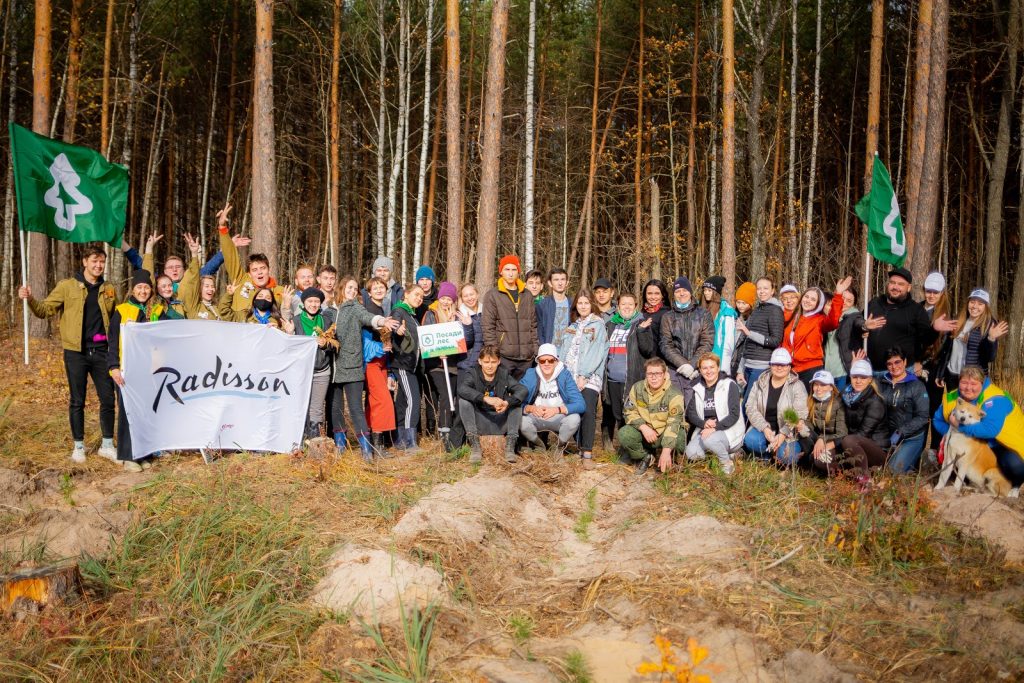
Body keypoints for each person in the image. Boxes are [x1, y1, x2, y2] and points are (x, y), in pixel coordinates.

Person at [19, 244, 118, 463]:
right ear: (84, 262)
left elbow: (116, 318)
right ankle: (79, 446)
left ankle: (107, 445)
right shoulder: (67, 286)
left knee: (108, 399)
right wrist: (30, 299)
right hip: (76, 353)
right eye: (94, 260)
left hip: (102, 352)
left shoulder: (108, 289)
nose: (98, 265)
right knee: (77, 400)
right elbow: (45, 310)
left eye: (101, 261)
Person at [329, 276, 399, 461]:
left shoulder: (355, 308)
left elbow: (368, 317)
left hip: (352, 365)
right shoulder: (330, 310)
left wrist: (382, 322)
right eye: (349, 288)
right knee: (336, 407)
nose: (352, 291)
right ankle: (340, 444)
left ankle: (366, 449)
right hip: (333, 367)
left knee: (355, 408)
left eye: (355, 289)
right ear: (342, 289)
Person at [106, 270, 168, 472]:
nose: (143, 291)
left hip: (149, 371)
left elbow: (169, 337)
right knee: (128, 412)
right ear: (133, 289)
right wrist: (113, 367)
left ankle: (143, 454)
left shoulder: (157, 311)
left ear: (151, 290)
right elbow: (113, 341)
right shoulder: (122, 310)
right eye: (139, 287)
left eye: (146, 287)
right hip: (126, 370)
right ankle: (128, 456)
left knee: (145, 413)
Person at [933, 366, 1024, 490]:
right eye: (964, 382)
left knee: (1014, 465)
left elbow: (990, 430)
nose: (968, 388)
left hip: (1003, 444)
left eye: (973, 384)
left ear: (982, 383)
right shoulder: (952, 397)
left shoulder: (995, 398)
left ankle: (1014, 486)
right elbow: (937, 419)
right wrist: (951, 434)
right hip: (974, 444)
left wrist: (959, 428)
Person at [558, 288, 609, 468]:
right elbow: (563, 352)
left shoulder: (598, 325)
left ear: (592, 304)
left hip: (589, 377)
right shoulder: (571, 327)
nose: (583, 306)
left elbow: (597, 353)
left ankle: (587, 453)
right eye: (580, 303)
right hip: (569, 377)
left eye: (586, 303)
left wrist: (584, 376)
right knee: (572, 411)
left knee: (587, 411)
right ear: (576, 306)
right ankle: (577, 446)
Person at [422, 281, 473, 449]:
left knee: (453, 397)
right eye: (443, 298)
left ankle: (454, 430)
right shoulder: (432, 314)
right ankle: (444, 432)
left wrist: (462, 325)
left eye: (449, 299)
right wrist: (437, 351)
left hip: (452, 364)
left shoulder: (457, 315)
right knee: (445, 395)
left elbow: (463, 340)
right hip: (437, 364)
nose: (445, 302)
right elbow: (427, 339)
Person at [602, 293, 656, 452]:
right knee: (613, 412)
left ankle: (630, 449)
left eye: (630, 304)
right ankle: (615, 446)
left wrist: (641, 331)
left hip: (631, 379)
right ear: (617, 307)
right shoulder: (610, 325)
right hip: (611, 378)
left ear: (635, 307)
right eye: (623, 304)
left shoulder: (641, 323)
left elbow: (647, 350)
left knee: (629, 414)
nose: (626, 307)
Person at [458, 345, 528, 464]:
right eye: (486, 362)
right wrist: (485, 398)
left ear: (499, 361)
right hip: (480, 420)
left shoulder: (503, 374)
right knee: (463, 402)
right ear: (480, 361)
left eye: (493, 362)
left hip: (500, 420)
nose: (490, 366)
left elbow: (522, 390)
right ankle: (475, 446)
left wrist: (507, 402)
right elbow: (462, 389)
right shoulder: (473, 373)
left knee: (516, 404)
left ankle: (510, 447)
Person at [859, 267, 936, 375]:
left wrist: (935, 329)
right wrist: (863, 326)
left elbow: (926, 340)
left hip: (899, 372)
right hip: (869, 370)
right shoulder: (875, 303)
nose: (895, 287)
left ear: (908, 287)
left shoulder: (915, 310)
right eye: (892, 283)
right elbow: (858, 323)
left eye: (901, 284)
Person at [617, 357, 687, 475]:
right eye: (650, 374)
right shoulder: (637, 388)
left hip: (664, 433)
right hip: (646, 433)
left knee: (680, 437)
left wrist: (666, 451)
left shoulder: (675, 394)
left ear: (665, 374)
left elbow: (673, 423)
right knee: (624, 434)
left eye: (658, 374)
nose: (654, 377)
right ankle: (646, 456)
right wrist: (643, 427)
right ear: (646, 374)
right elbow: (629, 411)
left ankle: (670, 458)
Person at [781, 277, 852, 387]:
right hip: (790, 368)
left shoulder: (819, 320)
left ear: (818, 304)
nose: (808, 301)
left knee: (808, 403)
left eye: (813, 299)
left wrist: (838, 294)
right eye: (806, 296)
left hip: (810, 369)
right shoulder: (793, 318)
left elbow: (833, 321)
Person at [216, 204, 285, 315]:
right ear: (249, 273)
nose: (259, 272)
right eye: (255, 270)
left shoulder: (280, 292)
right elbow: (230, 256)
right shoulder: (240, 281)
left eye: (263, 268)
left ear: (268, 269)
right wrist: (223, 228)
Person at [743, 348, 808, 465]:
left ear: (789, 366)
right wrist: (764, 428)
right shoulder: (759, 383)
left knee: (787, 456)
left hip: (788, 434)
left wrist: (783, 434)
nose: (779, 367)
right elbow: (750, 407)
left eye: (783, 364)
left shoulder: (797, 386)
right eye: (776, 364)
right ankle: (766, 457)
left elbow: (799, 413)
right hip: (764, 431)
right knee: (751, 440)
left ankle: (779, 457)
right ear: (770, 365)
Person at [936, 288, 1009, 390]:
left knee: (969, 406)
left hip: (971, 379)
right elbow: (947, 350)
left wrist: (991, 338)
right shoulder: (959, 320)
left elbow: (990, 357)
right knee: (954, 405)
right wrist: (941, 372)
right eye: (972, 302)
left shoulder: (989, 325)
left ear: (986, 307)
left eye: (980, 304)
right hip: (952, 375)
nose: (975, 306)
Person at [520, 344, 586, 456]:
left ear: (556, 361)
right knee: (521, 421)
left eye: (550, 360)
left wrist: (557, 409)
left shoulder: (564, 375)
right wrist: (529, 408)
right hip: (537, 416)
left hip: (558, 416)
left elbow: (581, 404)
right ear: (538, 362)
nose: (546, 364)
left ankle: (559, 447)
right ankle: (539, 444)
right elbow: (516, 399)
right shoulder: (531, 374)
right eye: (542, 361)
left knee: (574, 419)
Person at [684, 353, 744, 475]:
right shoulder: (697, 387)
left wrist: (715, 428)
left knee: (709, 440)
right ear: (700, 370)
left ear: (718, 368)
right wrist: (704, 423)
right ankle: (727, 455)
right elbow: (691, 412)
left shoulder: (729, 385)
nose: (708, 371)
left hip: (727, 429)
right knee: (691, 453)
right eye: (705, 368)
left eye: (712, 367)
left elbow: (734, 414)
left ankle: (726, 463)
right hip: (706, 429)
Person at [291, 287, 338, 441]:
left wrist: (325, 344)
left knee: (316, 408)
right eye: (310, 301)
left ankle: (315, 440)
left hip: (321, 370)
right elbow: (288, 346)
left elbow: (336, 344)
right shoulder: (296, 321)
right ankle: (299, 440)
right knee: (300, 405)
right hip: (302, 371)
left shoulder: (326, 320)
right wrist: (289, 333)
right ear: (304, 303)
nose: (313, 304)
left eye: (317, 301)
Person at [482, 255, 539, 379]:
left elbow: (533, 325)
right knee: (503, 393)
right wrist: (494, 354)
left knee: (524, 393)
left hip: (526, 357)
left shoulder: (527, 295)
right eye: (507, 269)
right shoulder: (493, 295)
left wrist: (535, 350)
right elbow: (488, 327)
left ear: (518, 272)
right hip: (504, 357)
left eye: (514, 270)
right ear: (501, 271)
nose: (511, 273)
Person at [877, 346, 930, 473]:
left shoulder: (916, 385)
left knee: (891, 472)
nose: (894, 367)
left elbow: (923, 417)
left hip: (910, 438)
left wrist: (902, 431)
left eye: (897, 362)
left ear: (905, 362)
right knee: (875, 468)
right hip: (886, 436)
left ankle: (910, 464)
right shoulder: (882, 382)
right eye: (889, 364)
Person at [360, 277, 398, 454]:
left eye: (381, 287)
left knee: (373, 401)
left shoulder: (383, 309)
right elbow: (365, 342)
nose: (378, 289)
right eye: (374, 287)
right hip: (371, 362)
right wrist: (381, 348)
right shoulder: (368, 311)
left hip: (382, 362)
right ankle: (378, 444)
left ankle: (370, 440)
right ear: (368, 292)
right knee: (381, 400)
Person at [659, 276, 714, 394]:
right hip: (675, 370)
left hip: (698, 371)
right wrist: (683, 364)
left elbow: (707, 342)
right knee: (676, 409)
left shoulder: (704, 314)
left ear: (690, 292)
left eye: (684, 290)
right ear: (673, 294)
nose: (681, 294)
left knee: (694, 409)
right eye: (677, 291)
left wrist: (693, 364)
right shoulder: (667, 317)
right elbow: (665, 344)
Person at [734, 277, 785, 399]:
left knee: (750, 404)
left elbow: (775, 340)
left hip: (762, 366)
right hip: (748, 365)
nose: (762, 291)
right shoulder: (756, 310)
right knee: (744, 403)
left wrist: (749, 332)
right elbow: (747, 342)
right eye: (759, 288)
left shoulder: (775, 311)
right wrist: (740, 369)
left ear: (772, 291)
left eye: (766, 288)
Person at [839, 359, 889, 477]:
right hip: (854, 445)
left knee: (849, 440)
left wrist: (840, 443)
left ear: (870, 379)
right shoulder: (845, 395)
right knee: (822, 459)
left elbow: (863, 434)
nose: (858, 381)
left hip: (877, 450)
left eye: (863, 377)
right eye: (855, 376)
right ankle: (843, 477)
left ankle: (864, 479)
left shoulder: (875, 402)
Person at [390, 285, 425, 453]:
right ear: (407, 294)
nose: (419, 298)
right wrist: (398, 329)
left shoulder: (412, 315)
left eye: (421, 297)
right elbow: (394, 325)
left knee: (403, 401)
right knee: (413, 400)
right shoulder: (399, 310)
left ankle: (399, 439)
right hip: (403, 363)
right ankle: (410, 442)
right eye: (416, 294)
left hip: (411, 364)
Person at [920, 271, 952, 451]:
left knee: (935, 414)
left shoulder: (945, 315)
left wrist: (940, 374)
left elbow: (945, 348)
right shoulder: (916, 309)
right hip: (914, 368)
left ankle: (934, 452)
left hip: (934, 372)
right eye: (928, 291)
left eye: (936, 292)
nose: (931, 295)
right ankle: (916, 455)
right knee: (919, 413)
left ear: (942, 293)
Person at [454, 282, 485, 447]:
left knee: (480, 403)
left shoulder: (486, 311)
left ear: (477, 294)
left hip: (484, 366)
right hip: (466, 365)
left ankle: (477, 439)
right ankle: (456, 443)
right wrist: (467, 326)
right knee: (462, 402)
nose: (469, 298)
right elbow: (463, 343)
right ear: (461, 298)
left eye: (472, 294)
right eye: (465, 296)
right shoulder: (459, 315)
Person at [800, 371, 848, 476]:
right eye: (816, 384)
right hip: (819, 439)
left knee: (820, 461)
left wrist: (823, 439)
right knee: (802, 430)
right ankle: (810, 463)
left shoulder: (838, 403)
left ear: (831, 387)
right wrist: (802, 424)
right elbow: (811, 424)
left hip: (835, 443)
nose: (818, 388)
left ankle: (842, 470)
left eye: (823, 385)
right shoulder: (812, 400)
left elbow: (843, 433)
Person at [823, 286, 863, 392]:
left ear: (853, 304)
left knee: (839, 404)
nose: (844, 302)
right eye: (843, 298)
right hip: (826, 371)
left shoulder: (853, 316)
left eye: (849, 301)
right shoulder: (830, 316)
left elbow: (859, 323)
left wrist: (865, 327)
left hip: (842, 372)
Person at [179, 233, 225, 321]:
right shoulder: (193, 306)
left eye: (212, 287)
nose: (211, 289)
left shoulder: (216, 309)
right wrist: (195, 254)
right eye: (207, 286)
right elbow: (193, 280)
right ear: (199, 289)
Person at [703, 275, 739, 377]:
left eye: (709, 290)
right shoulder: (703, 309)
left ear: (716, 292)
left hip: (719, 361)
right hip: (704, 360)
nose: (706, 293)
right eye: (705, 290)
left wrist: (724, 369)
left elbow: (728, 341)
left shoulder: (726, 312)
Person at [535, 267, 572, 346]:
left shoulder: (573, 304)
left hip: (569, 351)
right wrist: (544, 348)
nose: (560, 283)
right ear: (550, 283)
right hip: (549, 351)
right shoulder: (542, 305)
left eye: (562, 279)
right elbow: (539, 330)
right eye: (556, 280)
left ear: (567, 282)